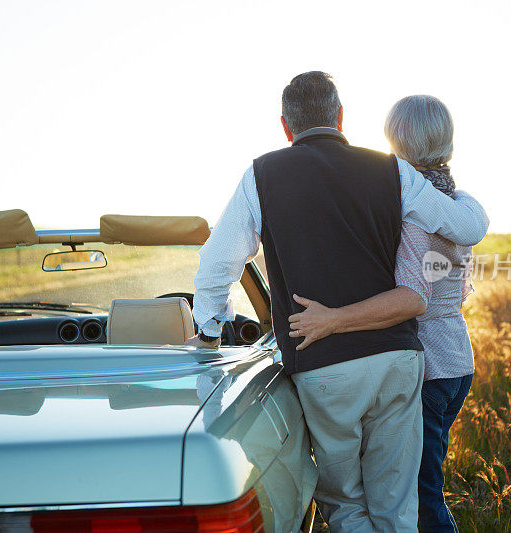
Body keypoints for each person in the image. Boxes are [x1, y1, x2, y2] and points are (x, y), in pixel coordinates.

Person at [186, 72, 488, 532]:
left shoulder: (261, 176)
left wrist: (210, 329)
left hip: (324, 366)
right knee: (398, 505)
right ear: (341, 116)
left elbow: (217, 262)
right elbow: (462, 227)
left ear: (286, 127)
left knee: (346, 505)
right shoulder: (394, 171)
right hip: (398, 360)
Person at [288, 95, 475, 533]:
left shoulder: (415, 212)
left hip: (428, 367)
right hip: (458, 361)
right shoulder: (459, 203)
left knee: (421, 496)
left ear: (396, 140)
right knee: (426, 485)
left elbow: (413, 296)